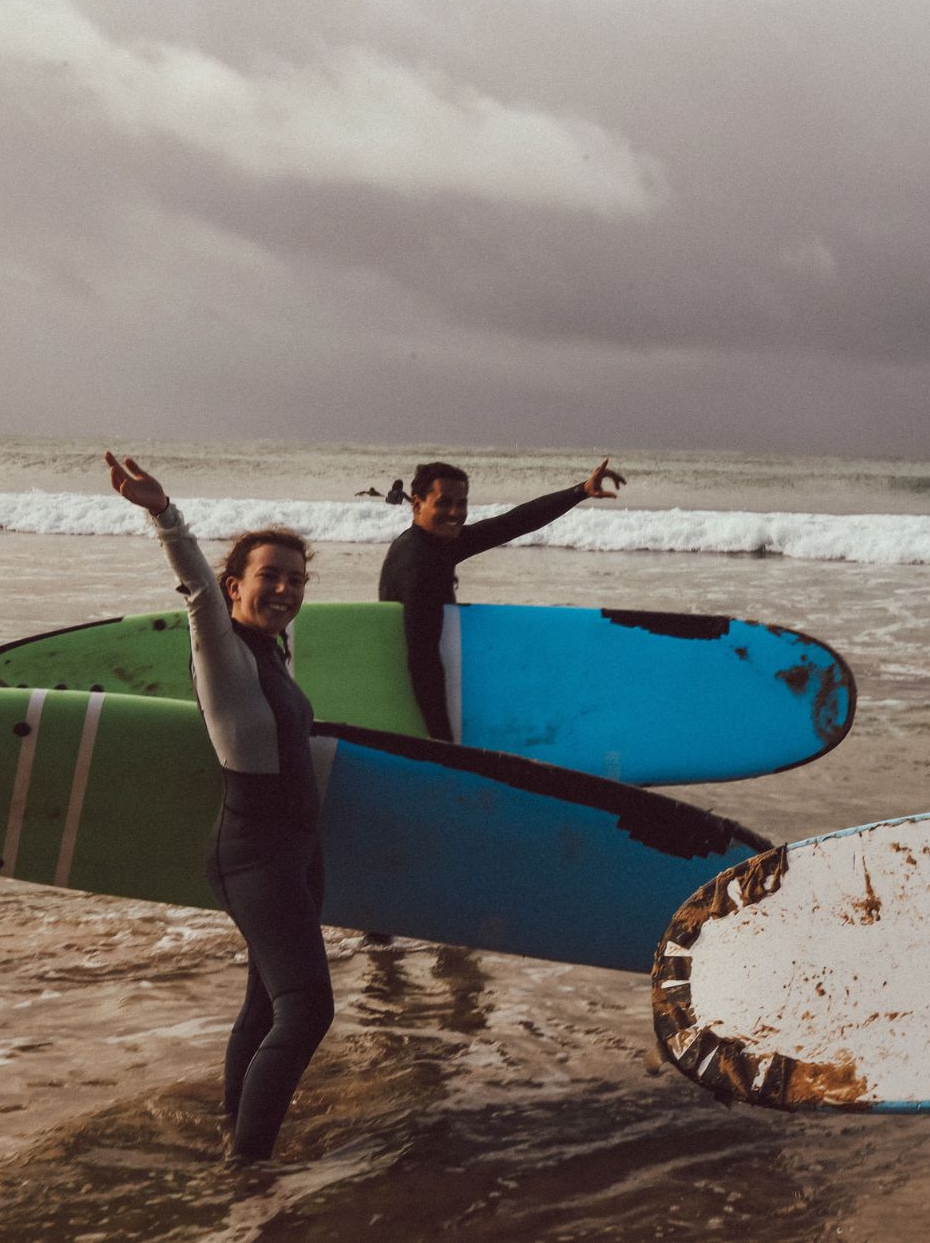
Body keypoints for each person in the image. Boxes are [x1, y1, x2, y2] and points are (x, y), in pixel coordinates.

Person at [105, 452, 332, 1163]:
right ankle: (249, 1167)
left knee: (266, 1004)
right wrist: (163, 513)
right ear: (236, 584)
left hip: (293, 852)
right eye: (270, 576)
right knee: (307, 1010)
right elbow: (198, 593)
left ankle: (235, 1131)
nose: (286, 589)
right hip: (254, 851)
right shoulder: (225, 651)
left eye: (296, 580)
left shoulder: (271, 651)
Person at [378, 458, 624, 741]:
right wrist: (443, 744)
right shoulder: (420, 564)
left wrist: (580, 491)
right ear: (417, 504)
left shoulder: (432, 544)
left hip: (421, 681)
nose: (456, 512)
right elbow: (423, 661)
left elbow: (512, 523)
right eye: (444, 503)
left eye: (462, 503)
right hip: (419, 694)